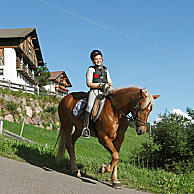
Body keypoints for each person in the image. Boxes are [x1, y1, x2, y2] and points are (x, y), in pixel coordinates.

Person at [82, 50, 113, 138]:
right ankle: (85, 128)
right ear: (92, 61)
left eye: (100, 58)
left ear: (102, 59)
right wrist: (100, 85)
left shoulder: (105, 69)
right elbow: (88, 84)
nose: (98, 60)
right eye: (96, 59)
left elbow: (110, 82)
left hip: (106, 90)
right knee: (89, 106)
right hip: (95, 91)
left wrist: (107, 85)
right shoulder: (91, 69)